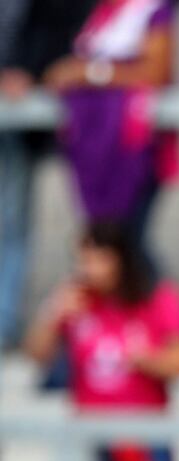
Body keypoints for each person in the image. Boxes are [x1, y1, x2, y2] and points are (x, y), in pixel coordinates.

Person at [23, 221, 179, 461]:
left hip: (143, 441)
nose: (88, 268)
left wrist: (146, 358)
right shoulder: (76, 301)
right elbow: (36, 356)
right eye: (82, 259)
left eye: (97, 258)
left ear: (120, 258)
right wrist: (51, 315)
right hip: (90, 444)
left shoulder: (156, 296)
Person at [0, 0, 99, 349]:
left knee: (17, 221)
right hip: (17, 109)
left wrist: (29, 70)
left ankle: (7, 322)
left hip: (37, 108)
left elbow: (64, 28)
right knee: (11, 221)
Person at [44, 0, 176, 245]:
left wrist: (90, 74)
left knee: (128, 247)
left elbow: (155, 72)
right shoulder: (100, 11)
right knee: (105, 246)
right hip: (94, 147)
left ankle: (155, 286)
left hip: (135, 145)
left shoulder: (153, 8)